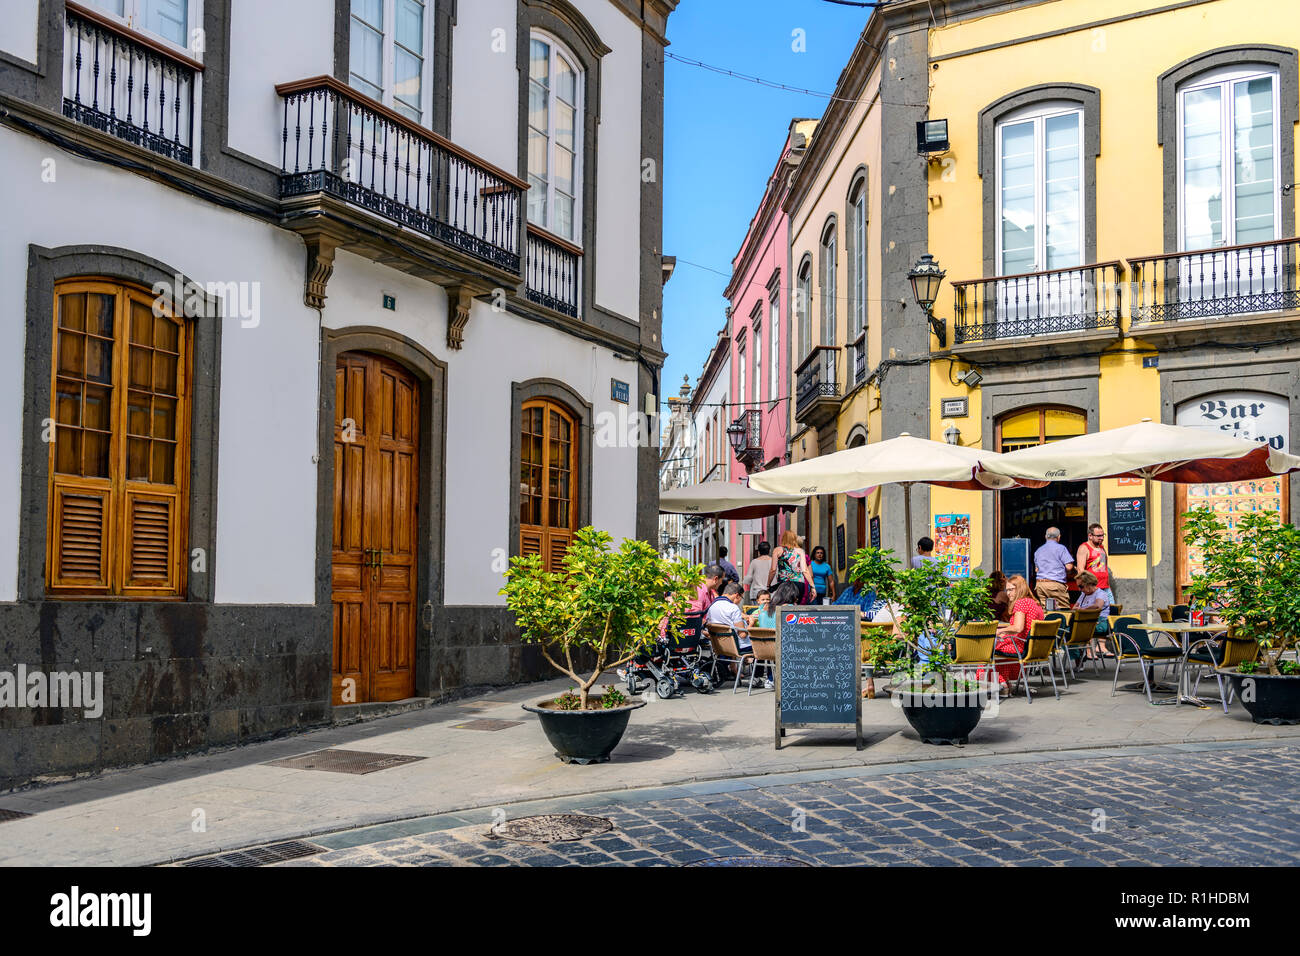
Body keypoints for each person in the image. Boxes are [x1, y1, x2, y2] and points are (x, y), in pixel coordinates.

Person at [708, 582, 772, 688]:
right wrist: (751, 624)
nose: (739, 602)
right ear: (737, 595)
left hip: (721, 646)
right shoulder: (733, 608)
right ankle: (763, 678)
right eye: (741, 598)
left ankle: (745, 669)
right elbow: (742, 634)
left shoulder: (713, 606)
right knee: (765, 645)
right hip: (738, 647)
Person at [995, 574, 1045, 691]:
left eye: (1011, 590)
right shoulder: (1034, 603)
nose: (1008, 593)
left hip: (1021, 646)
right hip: (1034, 646)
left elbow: (1018, 628)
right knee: (1001, 645)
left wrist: (1000, 631)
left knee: (988, 652)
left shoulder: (1021, 603)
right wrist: (1006, 633)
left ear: (1020, 589)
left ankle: (1003, 685)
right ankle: (1005, 682)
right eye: (1006, 590)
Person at [1072, 570, 1114, 661]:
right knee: (1067, 631)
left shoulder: (1101, 594)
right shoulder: (1083, 594)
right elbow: (1075, 607)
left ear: (1089, 584)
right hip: (1086, 622)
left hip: (1100, 623)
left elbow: (1097, 606)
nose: (1079, 589)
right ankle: (1077, 656)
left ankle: (1086, 652)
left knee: (1079, 629)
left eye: (1081, 586)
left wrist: (1082, 609)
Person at [1033, 527, 1075, 610]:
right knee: (1064, 610)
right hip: (1055, 585)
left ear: (1046, 536)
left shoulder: (1038, 550)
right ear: (1059, 537)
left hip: (1040, 585)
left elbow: (1036, 570)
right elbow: (1069, 567)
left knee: (1046, 611)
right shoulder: (1061, 548)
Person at [769, 529, 815, 602]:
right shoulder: (800, 551)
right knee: (796, 607)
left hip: (784, 584)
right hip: (799, 584)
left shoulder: (777, 550)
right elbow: (805, 570)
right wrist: (813, 587)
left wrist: (768, 584)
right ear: (794, 539)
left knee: (783, 606)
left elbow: (773, 570)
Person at [1077, 523, 1114, 610]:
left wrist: (1108, 585)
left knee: (1112, 613)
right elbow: (1080, 570)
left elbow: (1104, 567)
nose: (1102, 538)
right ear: (1090, 536)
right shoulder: (1084, 548)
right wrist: (1088, 588)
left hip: (1106, 588)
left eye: (1103, 535)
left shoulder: (1101, 547)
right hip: (1093, 589)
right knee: (1095, 615)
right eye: (1099, 536)